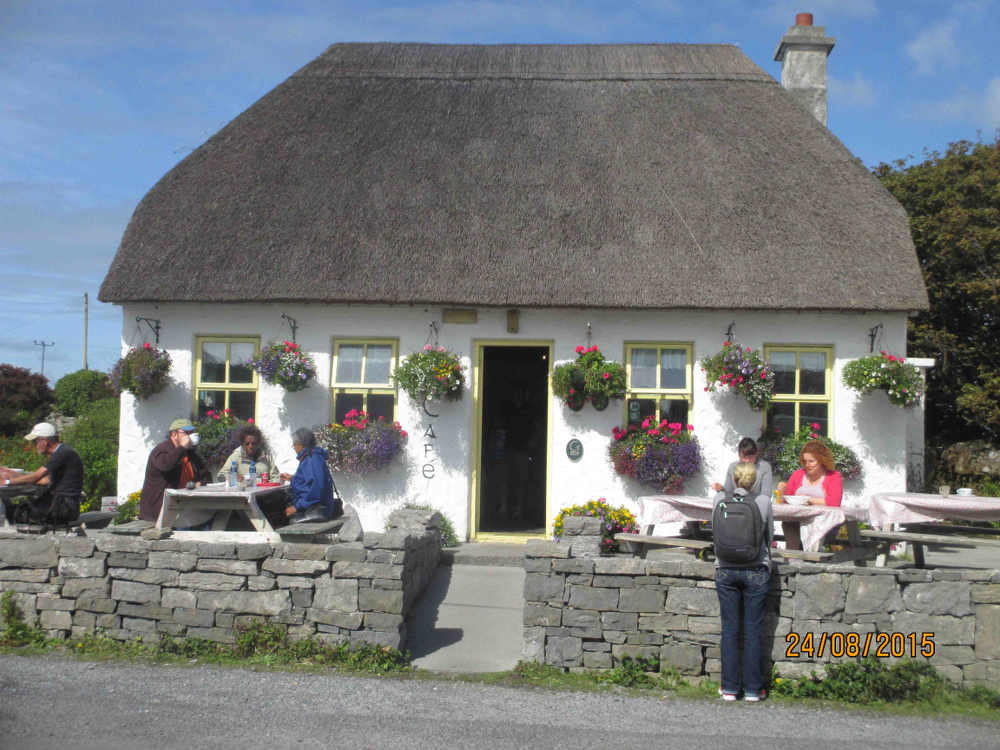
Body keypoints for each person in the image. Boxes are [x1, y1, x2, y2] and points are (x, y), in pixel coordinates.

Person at [714, 461, 773, 703]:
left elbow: (715, 531)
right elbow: (768, 537)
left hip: (726, 568)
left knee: (729, 629)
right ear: (755, 481)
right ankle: (752, 689)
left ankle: (729, 688)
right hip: (756, 569)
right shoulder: (763, 502)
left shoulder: (719, 500)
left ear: (734, 479)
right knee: (753, 630)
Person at [1, 422, 83, 525]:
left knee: (17, 512)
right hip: (65, 505)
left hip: (63, 508)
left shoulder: (62, 453)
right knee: (16, 508)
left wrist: (6, 482)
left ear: (44, 441)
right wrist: (13, 474)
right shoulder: (63, 451)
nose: (34, 445)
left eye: (35, 442)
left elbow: (36, 476)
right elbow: (44, 480)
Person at [139, 418, 210, 522]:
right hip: (159, 511)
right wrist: (182, 447)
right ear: (174, 435)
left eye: (192, 432)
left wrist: (199, 483)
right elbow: (166, 465)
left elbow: (206, 475)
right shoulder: (161, 450)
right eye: (186, 432)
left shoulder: (190, 453)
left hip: (182, 507)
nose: (190, 435)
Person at [776, 440, 843, 550]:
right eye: (805, 461)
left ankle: (808, 560)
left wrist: (809, 500)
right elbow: (787, 500)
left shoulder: (834, 476)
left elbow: (834, 502)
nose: (807, 465)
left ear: (822, 460)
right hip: (796, 519)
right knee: (789, 523)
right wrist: (782, 492)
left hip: (822, 522)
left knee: (812, 529)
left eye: (811, 461)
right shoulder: (798, 475)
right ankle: (792, 561)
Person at [279, 427, 341, 523]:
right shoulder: (310, 456)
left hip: (315, 508)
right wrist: (292, 478)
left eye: (294, 444)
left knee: (280, 517)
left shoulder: (312, 459)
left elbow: (316, 488)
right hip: (311, 506)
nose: (294, 447)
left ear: (301, 444)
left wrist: (296, 507)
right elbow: (308, 482)